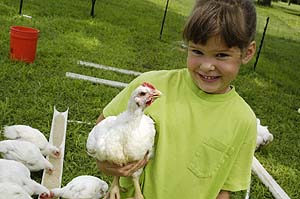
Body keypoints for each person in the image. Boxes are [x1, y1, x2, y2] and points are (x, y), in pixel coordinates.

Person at [96, 0, 257, 198]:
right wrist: (106, 164)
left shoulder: (244, 121)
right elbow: (102, 127)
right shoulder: (150, 85)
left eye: (221, 55)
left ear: (247, 53)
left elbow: (224, 191)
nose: (207, 66)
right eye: (197, 51)